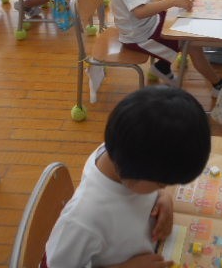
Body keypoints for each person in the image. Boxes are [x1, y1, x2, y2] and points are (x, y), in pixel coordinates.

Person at [43, 86, 211, 268]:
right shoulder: (83, 219)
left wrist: (164, 197)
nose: (164, 188)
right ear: (135, 170)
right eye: (161, 184)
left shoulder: (123, 149)